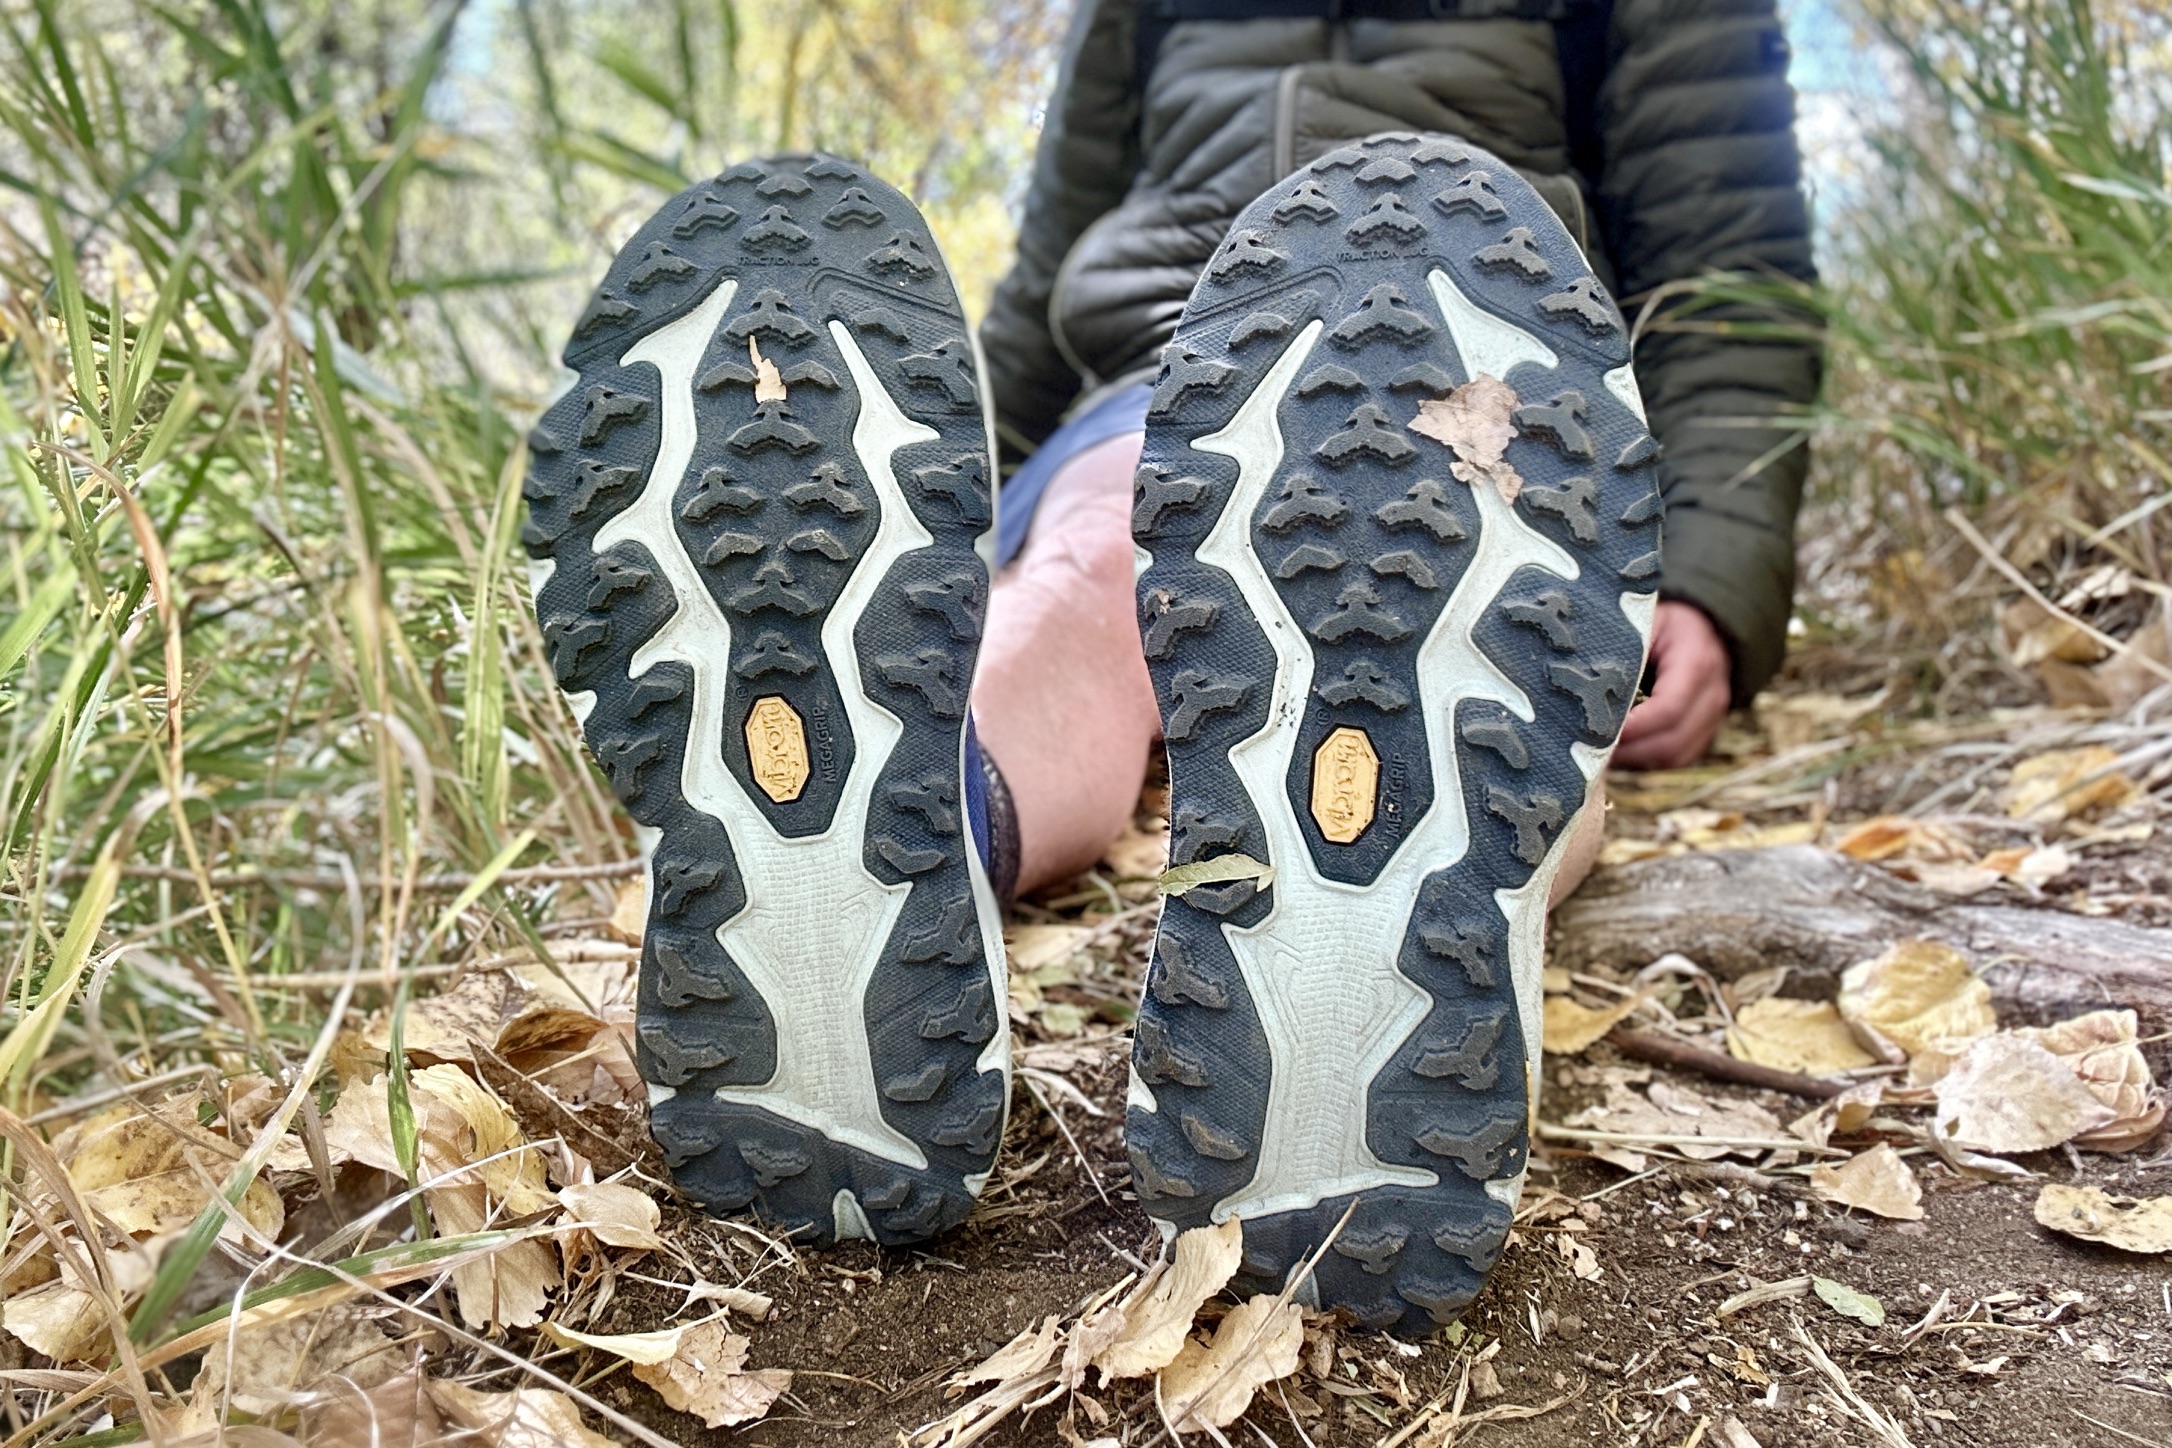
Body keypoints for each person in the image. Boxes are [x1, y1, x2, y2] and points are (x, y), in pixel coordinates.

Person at [521, 0, 1817, 1336]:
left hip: (1486, 388)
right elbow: (1041, 286)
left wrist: (1718, 578)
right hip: (1162, 380)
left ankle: (915, 848)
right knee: (1100, 565)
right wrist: (931, 525)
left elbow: (1733, 272)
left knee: (1481, 681)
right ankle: (907, 837)